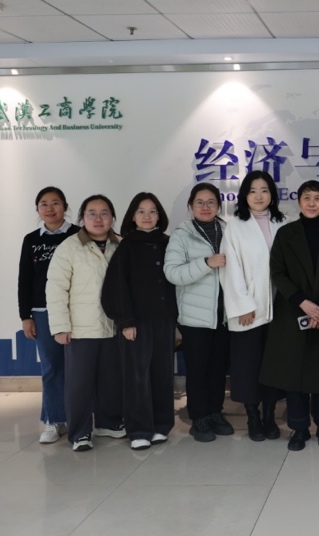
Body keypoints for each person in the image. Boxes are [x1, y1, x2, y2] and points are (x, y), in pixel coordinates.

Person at [260, 180, 319, 451]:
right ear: (298, 202)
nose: (311, 203)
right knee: (293, 374)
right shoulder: (286, 233)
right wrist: (303, 303)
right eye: (306, 198)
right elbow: (278, 272)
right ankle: (298, 428)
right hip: (292, 312)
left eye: (317, 198)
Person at [46, 194, 124, 452]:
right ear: (82, 218)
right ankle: (79, 432)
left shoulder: (121, 245)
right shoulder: (69, 247)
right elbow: (56, 289)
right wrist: (60, 326)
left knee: (110, 380)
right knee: (79, 385)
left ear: (112, 217)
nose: (98, 219)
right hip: (81, 329)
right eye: (92, 213)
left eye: (104, 213)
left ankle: (108, 423)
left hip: (113, 326)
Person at [101, 192, 178, 450]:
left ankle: (161, 425)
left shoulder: (169, 244)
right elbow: (116, 287)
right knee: (137, 377)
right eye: (141, 211)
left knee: (162, 374)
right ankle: (139, 429)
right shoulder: (127, 247)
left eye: (152, 211)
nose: (147, 216)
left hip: (165, 320)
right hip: (137, 323)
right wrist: (125, 321)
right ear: (132, 216)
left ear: (159, 215)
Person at [164, 183, 234, 443]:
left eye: (211, 202)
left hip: (223, 316)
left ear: (219, 206)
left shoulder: (229, 231)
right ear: (191, 206)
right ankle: (199, 417)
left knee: (218, 369)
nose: (205, 207)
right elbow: (172, 273)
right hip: (195, 317)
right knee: (198, 370)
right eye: (200, 202)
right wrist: (206, 263)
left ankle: (215, 412)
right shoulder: (182, 235)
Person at [221, 171, 286, 442]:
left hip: (279, 310)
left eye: (264, 190)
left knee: (273, 366)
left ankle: (270, 416)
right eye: (252, 191)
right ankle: (253, 417)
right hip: (248, 311)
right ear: (244, 195)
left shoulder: (283, 223)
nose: (259, 196)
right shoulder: (234, 227)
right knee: (248, 367)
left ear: (272, 194)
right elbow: (230, 269)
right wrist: (243, 305)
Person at [18, 187, 80, 444]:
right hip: (42, 312)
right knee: (52, 367)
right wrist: (26, 316)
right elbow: (24, 279)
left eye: (55, 203)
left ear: (65, 206)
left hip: (77, 309)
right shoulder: (31, 240)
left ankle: (80, 418)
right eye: (44, 204)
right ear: (38, 209)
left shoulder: (78, 234)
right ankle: (54, 420)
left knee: (79, 367)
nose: (50, 208)